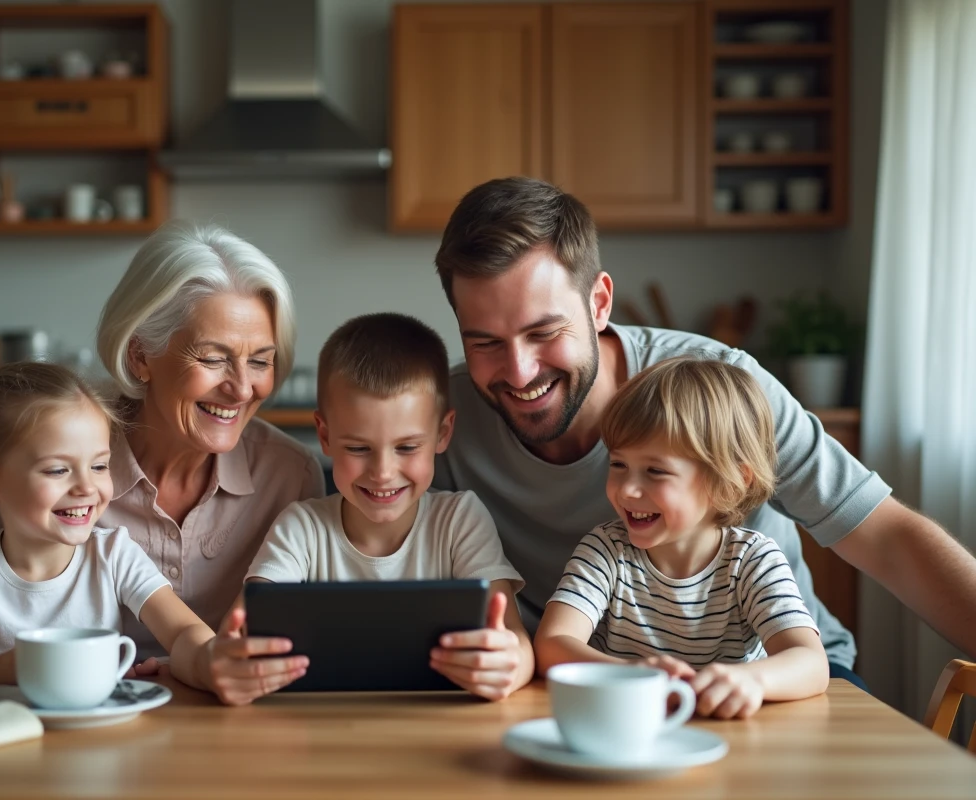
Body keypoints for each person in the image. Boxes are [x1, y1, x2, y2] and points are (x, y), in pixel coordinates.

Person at [432, 176, 976, 684]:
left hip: (777, 675)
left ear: (598, 303)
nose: (520, 371)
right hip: (587, 683)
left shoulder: (722, 389)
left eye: (544, 332)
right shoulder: (439, 419)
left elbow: (886, 538)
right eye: (484, 342)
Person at [0, 222, 325, 675]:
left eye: (261, 361)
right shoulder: (38, 458)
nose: (242, 389)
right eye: (214, 359)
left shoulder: (290, 474)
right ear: (140, 354)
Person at [0, 362, 305, 704]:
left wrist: (211, 662)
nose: (87, 487)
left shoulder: (113, 554)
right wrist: (0, 670)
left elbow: (185, 634)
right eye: (57, 469)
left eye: (99, 465)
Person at [245, 313, 534, 700]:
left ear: (443, 433)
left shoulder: (460, 520)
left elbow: (517, 642)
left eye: (407, 447)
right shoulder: (301, 527)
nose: (382, 472)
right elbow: (248, 627)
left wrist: (509, 666)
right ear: (325, 437)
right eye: (359, 448)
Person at [534, 358, 829, 718]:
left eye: (655, 471)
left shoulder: (752, 560)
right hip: (626, 725)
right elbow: (552, 645)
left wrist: (753, 681)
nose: (627, 489)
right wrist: (628, 676)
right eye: (618, 465)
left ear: (730, 481)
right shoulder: (606, 550)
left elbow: (812, 663)